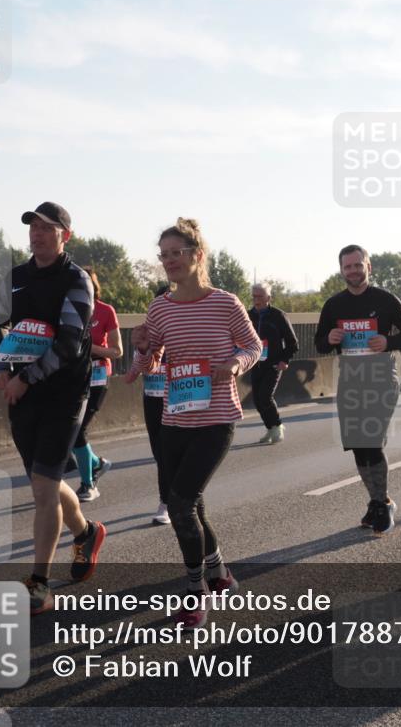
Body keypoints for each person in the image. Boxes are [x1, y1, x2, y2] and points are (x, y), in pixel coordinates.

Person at [132, 218, 261, 628]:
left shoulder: (225, 303)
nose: (169, 261)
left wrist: (235, 364)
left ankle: (196, 591)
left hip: (216, 418)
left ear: (197, 256)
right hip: (175, 417)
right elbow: (151, 359)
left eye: (177, 253)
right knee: (191, 502)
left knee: (181, 504)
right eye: (164, 255)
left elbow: (253, 346)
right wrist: (141, 354)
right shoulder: (160, 307)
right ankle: (220, 574)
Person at [0, 201, 106, 614]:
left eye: (46, 228)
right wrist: (0, 367)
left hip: (64, 395)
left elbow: (70, 343)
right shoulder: (16, 278)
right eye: (33, 227)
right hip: (23, 394)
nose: (37, 234)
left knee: (42, 487)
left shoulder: (76, 280)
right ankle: (86, 532)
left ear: (64, 236)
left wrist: (25, 378)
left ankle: (39, 583)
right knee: (46, 483)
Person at [315, 245, 401, 535]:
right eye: (347, 267)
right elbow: (320, 344)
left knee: (371, 441)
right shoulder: (334, 305)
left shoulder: (385, 299)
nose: (353, 271)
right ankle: (377, 501)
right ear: (341, 270)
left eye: (357, 265)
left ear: (368, 267)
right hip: (350, 380)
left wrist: (388, 342)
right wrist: (330, 338)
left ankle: (382, 504)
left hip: (381, 378)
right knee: (358, 446)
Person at [72, 267, 121, 501]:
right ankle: (96, 463)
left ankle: (88, 484)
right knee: (70, 428)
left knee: (78, 429)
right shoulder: (67, 309)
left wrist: (90, 348)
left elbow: (117, 351)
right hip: (73, 376)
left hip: (98, 375)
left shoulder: (105, 310)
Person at [124, 284, 171, 524]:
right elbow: (133, 374)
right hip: (152, 399)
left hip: (177, 400)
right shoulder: (146, 333)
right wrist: (134, 368)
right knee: (160, 453)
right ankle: (172, 498)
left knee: (172, 453)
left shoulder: (182, 332)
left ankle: (168, 502)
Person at [248, 282, 299, 444]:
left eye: (260, 296)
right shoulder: (247, 316)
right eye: (254, 296)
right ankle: (270, 428)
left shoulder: (279, 316)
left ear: (268, 298)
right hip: (255, 363)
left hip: (274, 364)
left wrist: (284, 360)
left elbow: (293, 343)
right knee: (257, 400)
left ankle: (277, 426)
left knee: (265, 396)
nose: (256, 300)